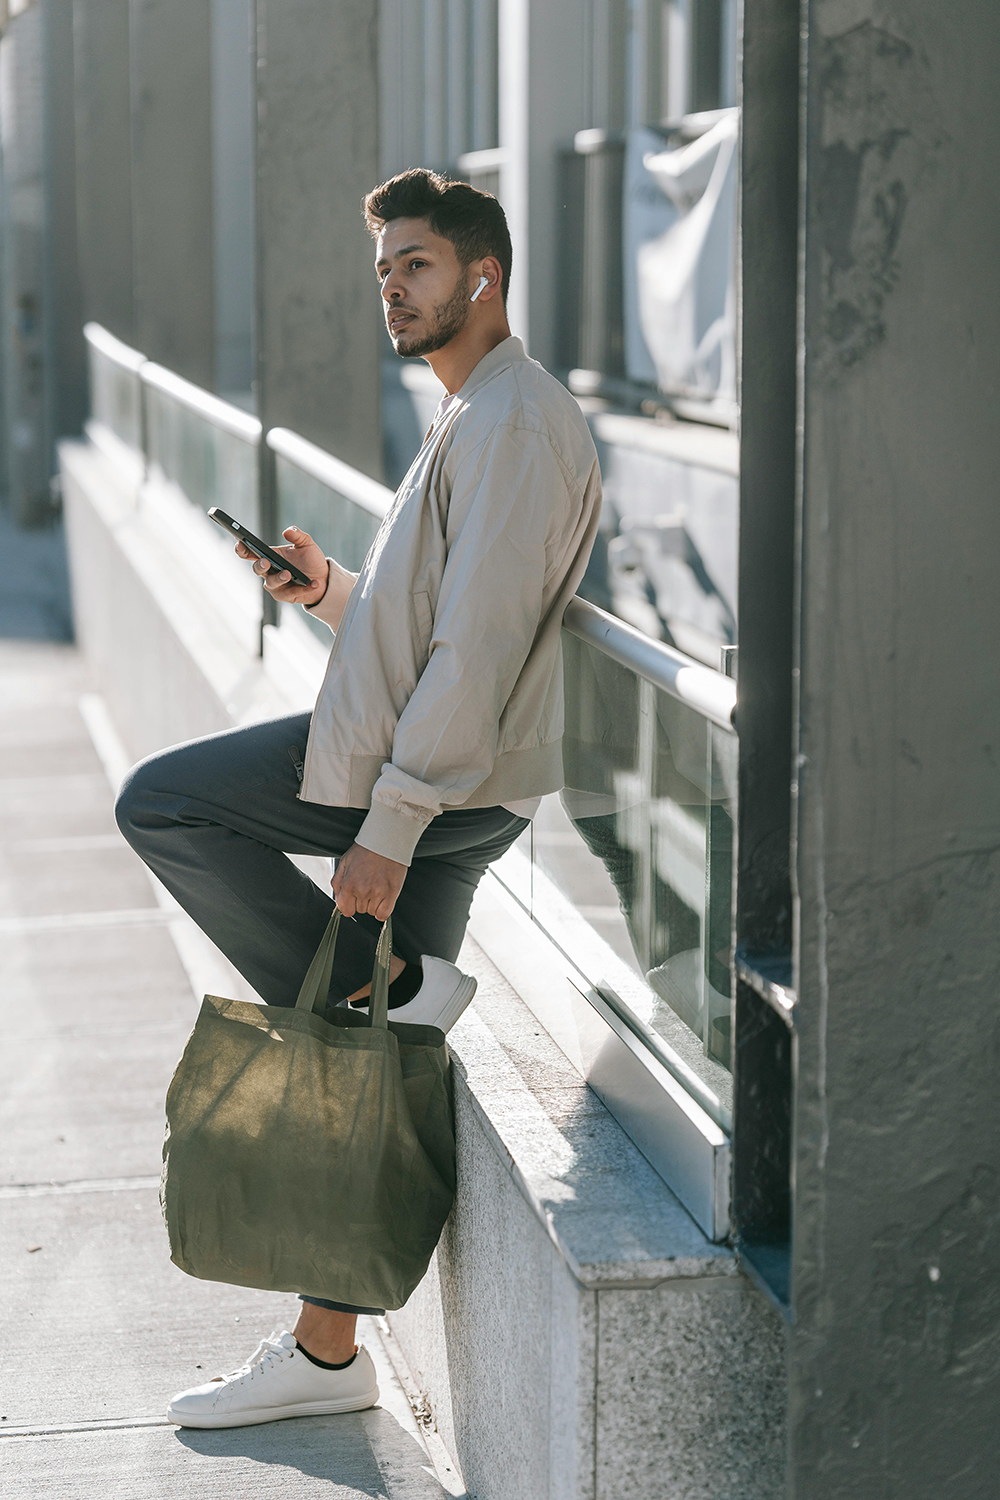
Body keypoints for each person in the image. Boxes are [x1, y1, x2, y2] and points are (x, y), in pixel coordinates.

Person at [116, 168, 602, 1429]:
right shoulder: (473, 411)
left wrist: (385, 831)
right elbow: (429, 621)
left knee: (166, 804)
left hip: (420, 783)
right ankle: (328, 1354)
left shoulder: (509, 423)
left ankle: (382, 981)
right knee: (366, 1064)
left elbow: (480, 648)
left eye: (419, 265)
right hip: (444, 774)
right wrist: (330, 591)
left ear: (483, 275)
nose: (393, 286)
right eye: (384, 268)